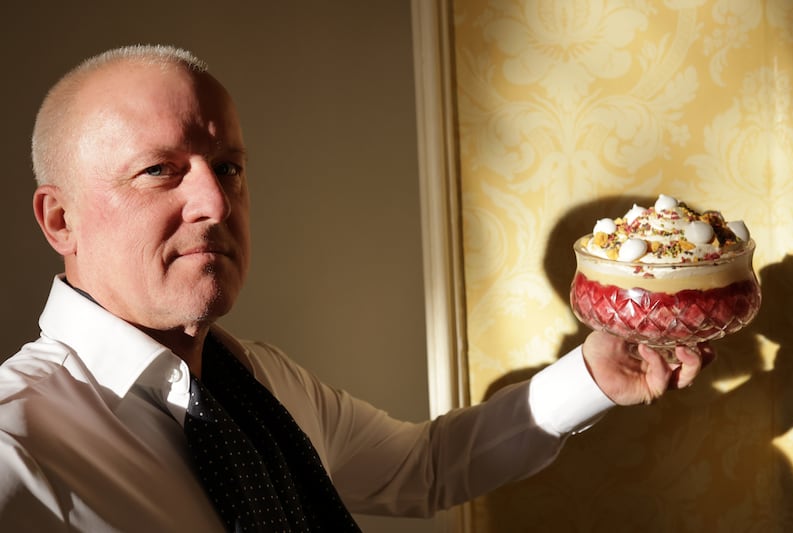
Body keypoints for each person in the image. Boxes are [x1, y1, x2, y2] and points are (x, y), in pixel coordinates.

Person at [0, 45, 711, 532]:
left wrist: (594, 374)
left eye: (230, 166)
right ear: (60, 218)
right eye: (160, 170)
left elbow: (426, 466)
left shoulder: (262, 381)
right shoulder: (18, 446)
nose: (214, 203)